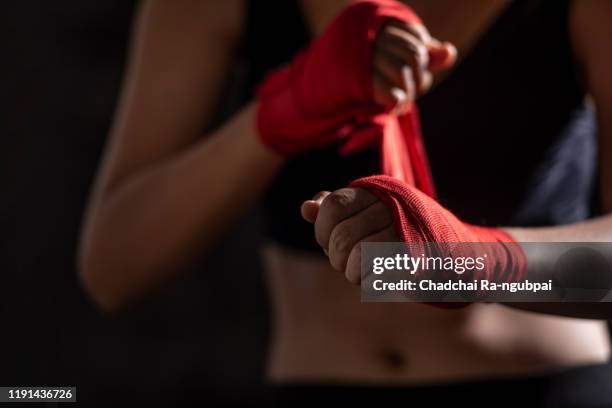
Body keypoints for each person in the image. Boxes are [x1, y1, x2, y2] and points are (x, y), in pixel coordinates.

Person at [79, 0, 612, 405]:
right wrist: (284, 110)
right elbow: (114, 268)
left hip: (545, 386)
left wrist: (473, 262)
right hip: (315, 383)